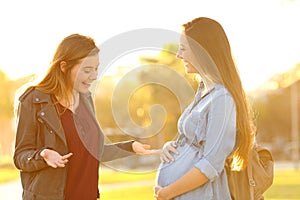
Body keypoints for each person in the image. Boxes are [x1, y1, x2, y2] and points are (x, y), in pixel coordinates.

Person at [13, 34, 158, 200]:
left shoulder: (85, 99)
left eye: (96, 69)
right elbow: (20, 157)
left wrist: (130, 147)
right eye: (87, 70)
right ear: (63, 66)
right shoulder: (34, 100)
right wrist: (42, 156)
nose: (94, 76)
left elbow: (94, 151)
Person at [154, 17, 255, 200]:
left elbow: (211, 164)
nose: (178, 55)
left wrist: (168, 193)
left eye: (183, 48)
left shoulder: (222, 99)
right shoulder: (203, 92)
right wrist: (172, 147)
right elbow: (194, 144)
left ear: (203, 52)